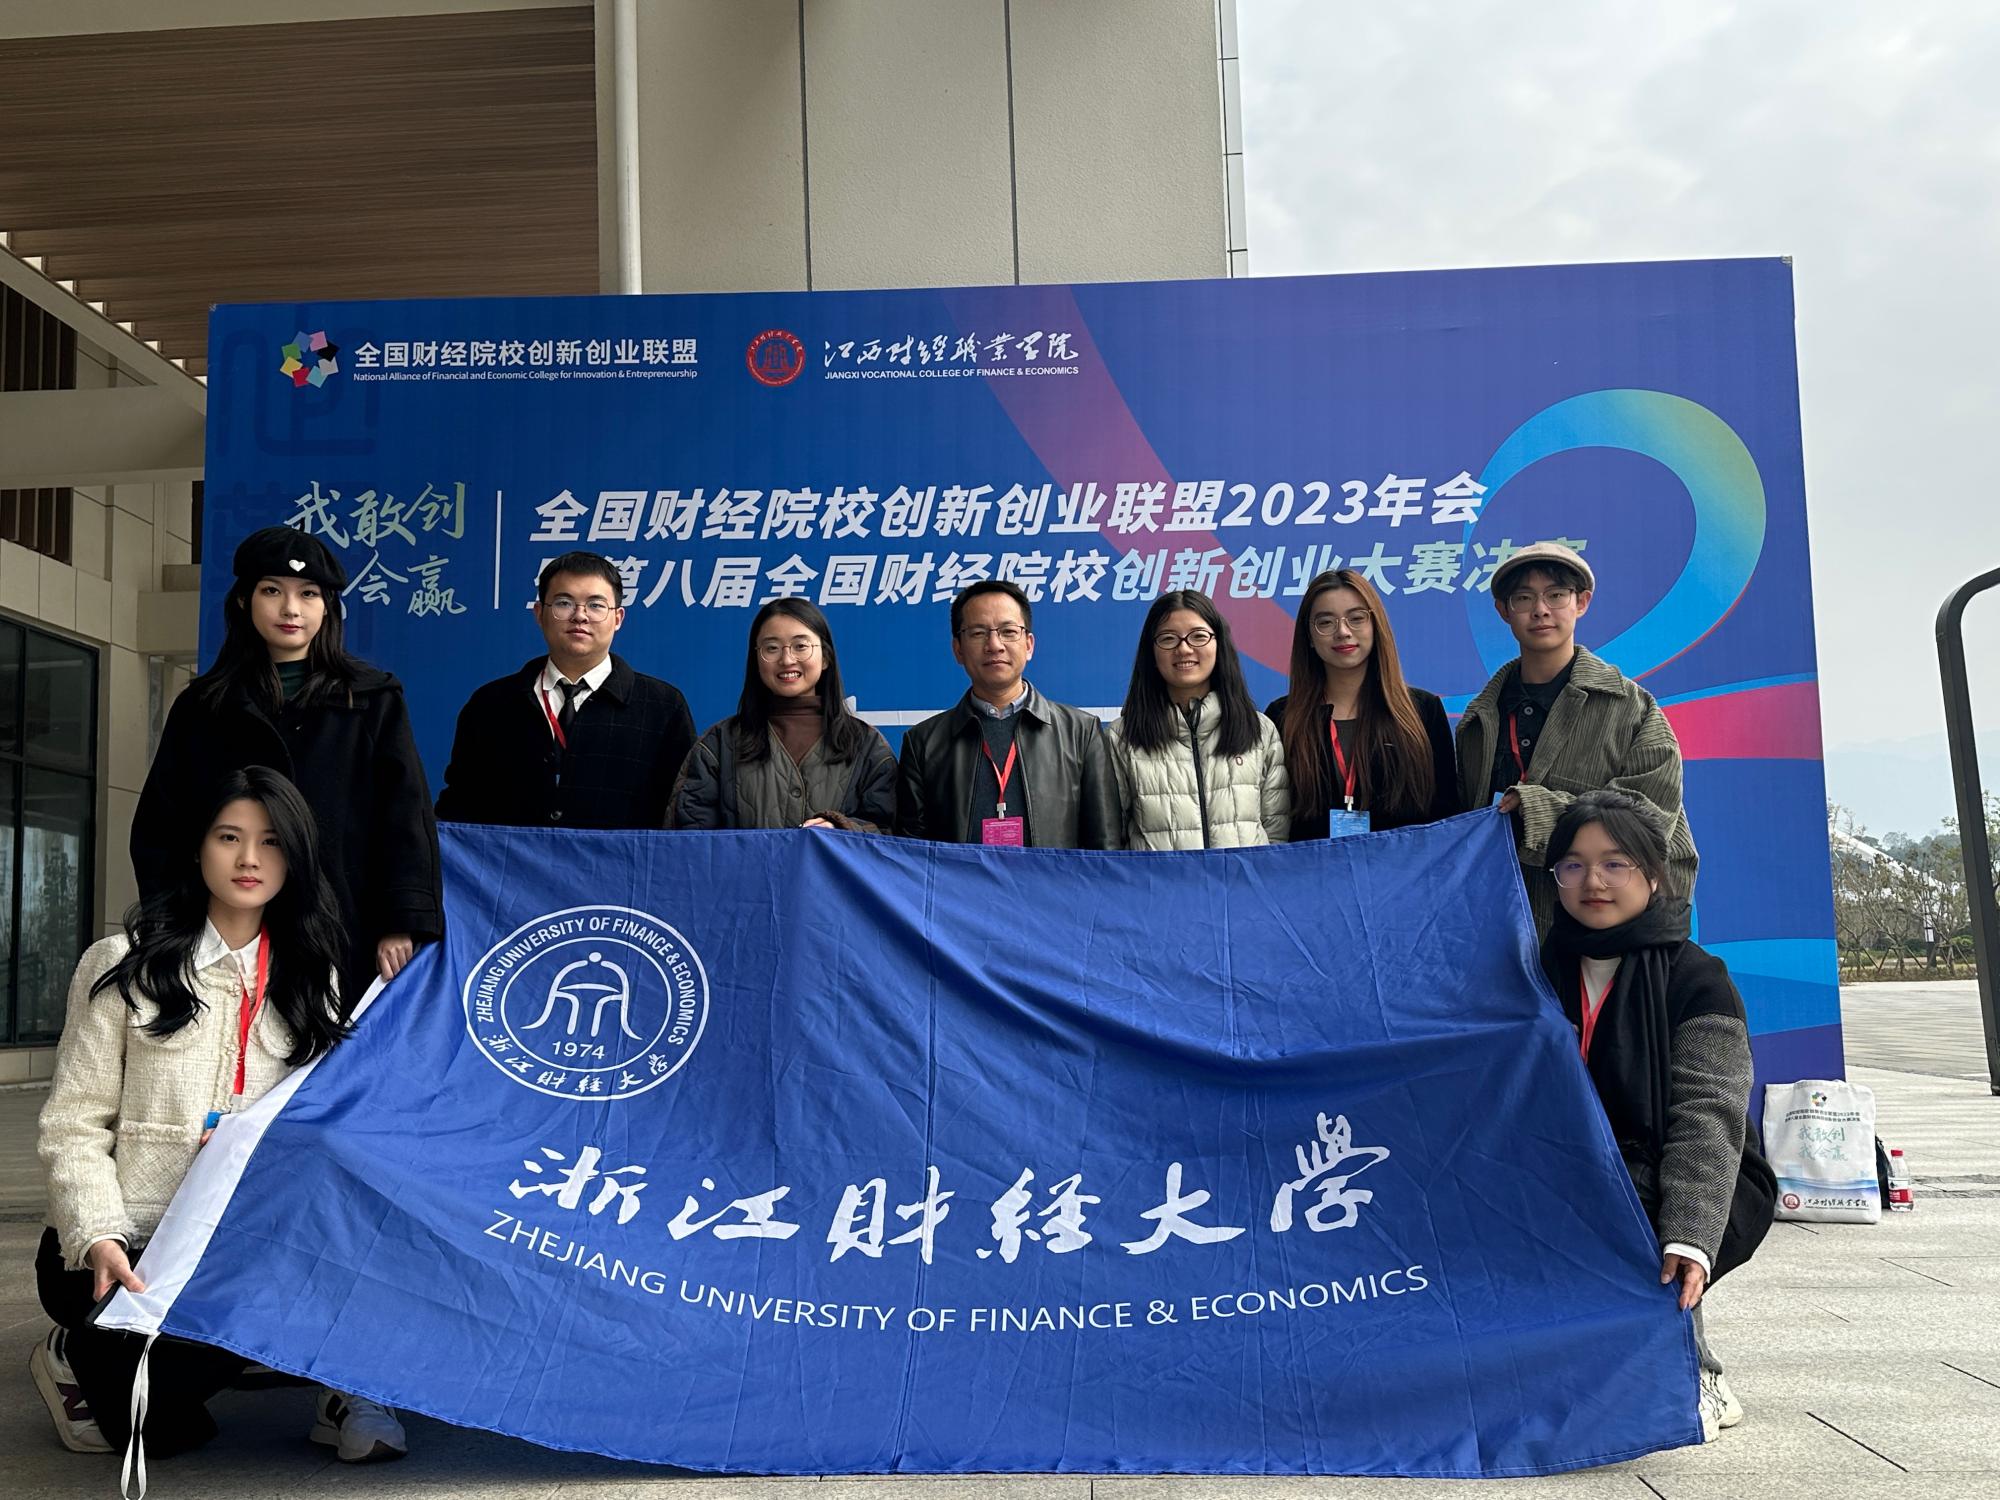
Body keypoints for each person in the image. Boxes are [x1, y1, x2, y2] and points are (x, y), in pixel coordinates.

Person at [36, 768, 409, 1464]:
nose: (249, 859)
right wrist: (98, 1234)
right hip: (135, 1241)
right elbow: (73, 1124)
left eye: (271, 842)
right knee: (155, 1433)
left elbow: (321, 1124)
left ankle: (337, 1382)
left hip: (239, 1242)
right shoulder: (123, 964)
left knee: (213, 1362)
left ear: (294, 859)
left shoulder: (312, 976)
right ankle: (71, 1351)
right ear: (198, 848)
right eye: (229, 837)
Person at [1538, 790, 1774, 1442]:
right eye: (1574, 865)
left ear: (1653, 874)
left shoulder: (1697, 978)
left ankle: (1694, 1369)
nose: (1593, 882)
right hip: (1565, 1163)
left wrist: (1690, 1236)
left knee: (1650, 1227)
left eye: (1615, 863)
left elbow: (1708, 1113)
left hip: (1684, 1172)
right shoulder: (1534, 970)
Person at [131, 527, 442, 1001]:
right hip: (225, 931)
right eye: (272, 591)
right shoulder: (204, 706)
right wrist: (169, 921)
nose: (291, 609)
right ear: (244, 601)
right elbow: (162, 823)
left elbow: (405, 817)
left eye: (308, 594)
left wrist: (402, 921)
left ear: (328, 606)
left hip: (343, 924)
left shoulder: (371, 699)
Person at [1456, 542, 1696, 935]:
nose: (1540, 610)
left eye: (1556, 595)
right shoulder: (1478, 721)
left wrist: (1537, 810)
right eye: (1523, 598)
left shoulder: (1632, 709)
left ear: (1581, 602)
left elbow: (1648, 820)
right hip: (1500, 931)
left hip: (1606, 936)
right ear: (1503, 611)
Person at [436, 551, 696, 830]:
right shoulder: (491, 704)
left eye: (596, 605)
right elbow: (459, 808)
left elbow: (680, 811)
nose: (580, 616)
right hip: (509, 859)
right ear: (539, 613)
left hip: (619, 860)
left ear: (618, 618)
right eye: (564, 603)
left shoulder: (662, 706)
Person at [896, 580, 1118, 848]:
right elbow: (911, 853)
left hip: (1053, 878)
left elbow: (1104, 846)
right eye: (978, 633)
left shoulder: (1080, 732)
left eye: (1008, 631)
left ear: (1029, 645)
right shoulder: (923, 742)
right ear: (958, 649)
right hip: (959, 878)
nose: (994, 644)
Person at [668, 600, 896, 831]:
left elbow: (890, 833)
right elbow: (688, 836)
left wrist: (840, 829)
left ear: (826, 657)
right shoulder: (719, 744)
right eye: (772, 648)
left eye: (800, 646)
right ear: (756, 659)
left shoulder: (867, 745)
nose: (787, 660)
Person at [1266, 569, 1460, 839]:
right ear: (1309, 636)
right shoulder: (1282, 717)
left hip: (1405, 865)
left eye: (1357, 618)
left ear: (1375, 625)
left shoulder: (1423, 710)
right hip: (1311, 866)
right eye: (1325, 622)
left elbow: (1446, 818)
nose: (1343, 632)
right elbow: (1273, 819)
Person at [1106, 591, 1290, 849]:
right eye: (1168, 638)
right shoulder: (1123, 736)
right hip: (1155, 877)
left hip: (1242, 877)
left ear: (1219, 644)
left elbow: (1276, 832)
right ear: (1152, 652)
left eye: (1199, 636)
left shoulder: (1259, 730)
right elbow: (1111, 838)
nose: (1184, 648)